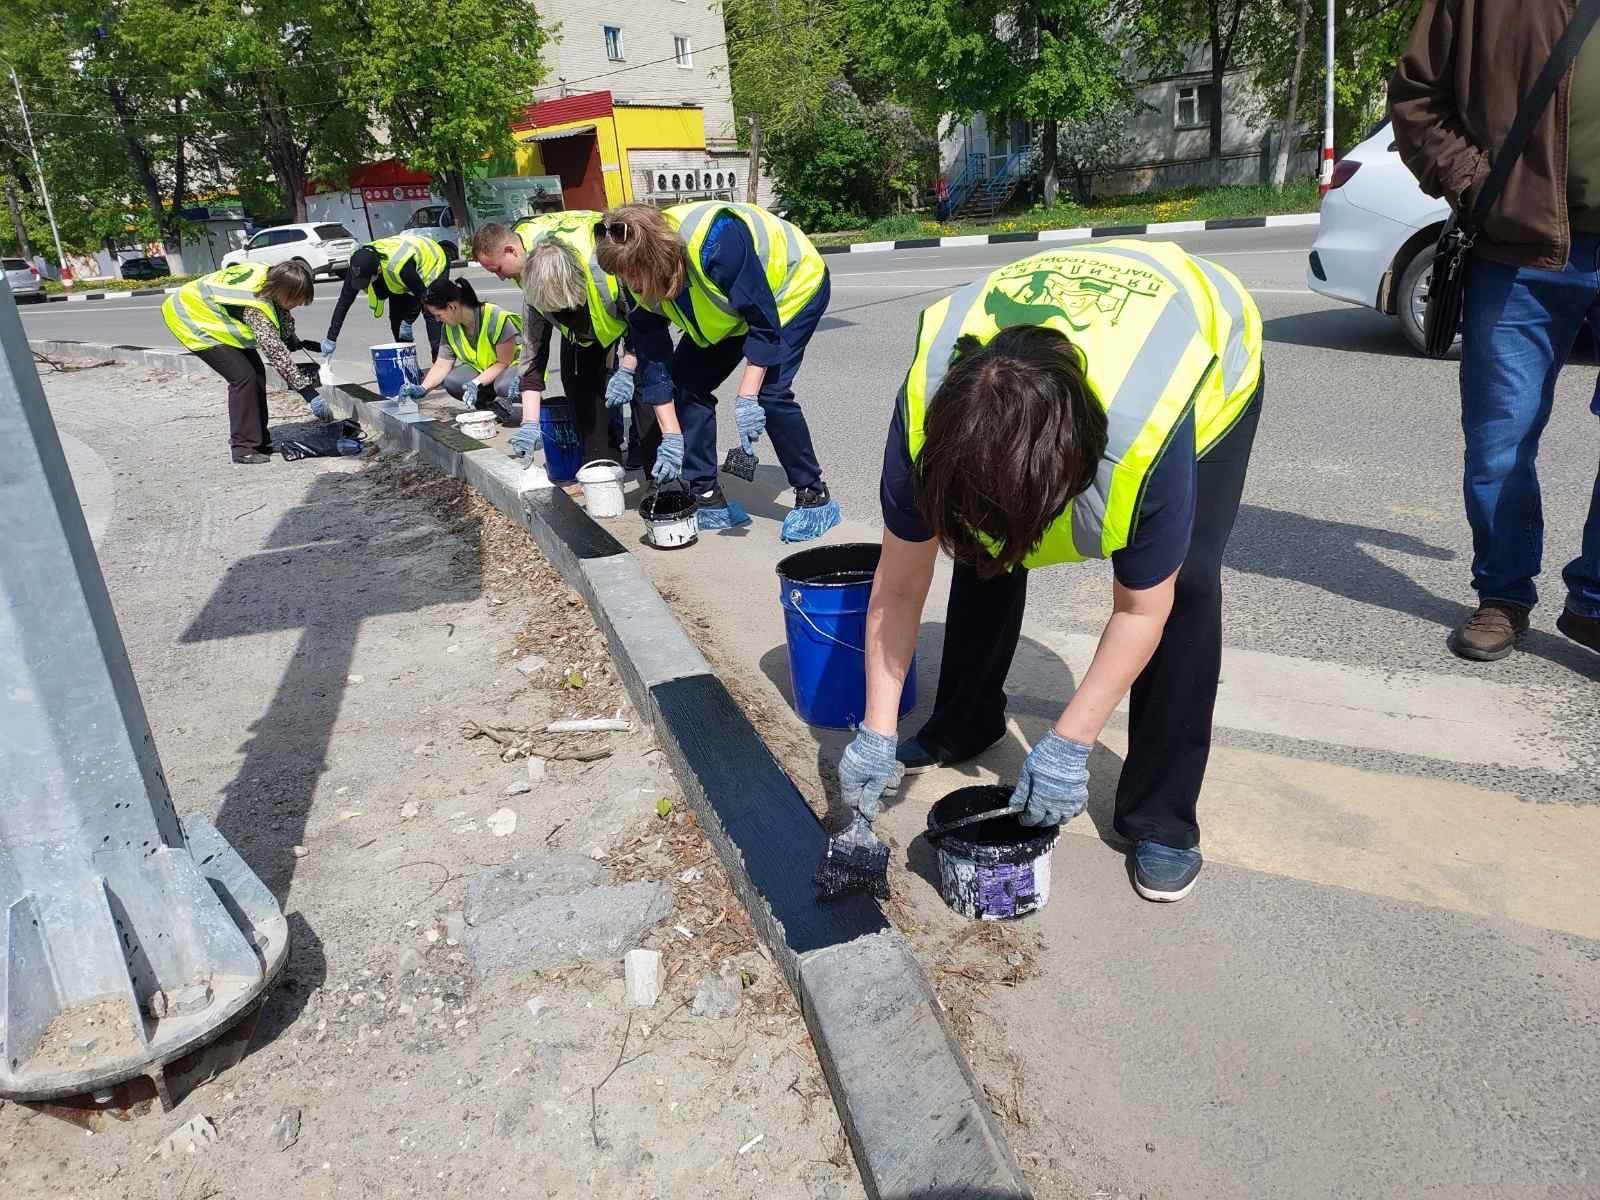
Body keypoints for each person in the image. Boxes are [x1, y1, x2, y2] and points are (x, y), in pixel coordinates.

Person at [836, 242, 1263, 903]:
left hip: (1210, 357)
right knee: (984, 547)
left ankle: (1161, 816)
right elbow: (897, 584)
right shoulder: (925, 418)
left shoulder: (1147, 433)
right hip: (1057, 351)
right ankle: (964, 720)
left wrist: (1070, 743)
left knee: (1187, 589)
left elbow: (1140, 610)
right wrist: (877, 728)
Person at [1391, 0, 1600, 660]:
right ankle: (1504, 595)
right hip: (1518, 252)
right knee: (1499, 441)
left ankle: (1594, 602)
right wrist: (1481, 189)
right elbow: (1417, 97)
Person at [593, 202, 841, 538]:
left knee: (771, 395)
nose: (630, 283)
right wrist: (671, 437)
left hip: (790, 291)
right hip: (729, 313)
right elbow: (654, 363)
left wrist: (747, 396)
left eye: (634, 273)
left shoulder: (716, 242)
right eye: (622, 274)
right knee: (686, 385)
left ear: (656, 255)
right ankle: (708, 496)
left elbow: (763, 322)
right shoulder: (631, 274)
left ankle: (813, 495)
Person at [471, 215, 684, 480]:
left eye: (498, 269)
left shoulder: (611, 271)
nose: (501, 278)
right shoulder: (534, 281)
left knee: (648, 386)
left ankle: (661, 473)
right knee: (581, 389)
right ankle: (603, 468)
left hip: (627, 314)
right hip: (583, 329)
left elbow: (645, 327)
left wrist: (628, 368)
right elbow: (533, 356)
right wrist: (528, 423)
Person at [162, 260, 328, 464]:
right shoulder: (255, 306)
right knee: (243, 378)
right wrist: (309, 393)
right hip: (189, 317)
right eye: (296, 300)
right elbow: (275, 352)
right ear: (283, 290)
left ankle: (259, 441)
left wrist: (291, 338)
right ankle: (243, 448)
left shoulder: (271, 279)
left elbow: (281, 313)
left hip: (210, 314)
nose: (297, 305)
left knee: (257, 374)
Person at [395, 277, 523, 421]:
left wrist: (476, 383)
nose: (437, 320)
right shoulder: (450, 328)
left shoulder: (495, 317)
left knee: (505, 386)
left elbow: (503, 363)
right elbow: (442, 364)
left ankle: (526, 406)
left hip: (514, 370)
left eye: (438, 315)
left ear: (451, 307)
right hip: (486, 372)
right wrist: (423, 388)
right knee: (453, 381)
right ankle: (489, 407)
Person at [320, 231, 449, 361]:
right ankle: (408, 367)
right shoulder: (358, 266)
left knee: (432, 313)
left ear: (378, 271)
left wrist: (408, 321)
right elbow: (344, 302)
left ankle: (439, 364)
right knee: (396, 322)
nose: (365, 286)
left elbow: (423, 297)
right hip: (403, 274)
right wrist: (331, 338)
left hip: (432, 261)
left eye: (367, 281)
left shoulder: (399, 269)